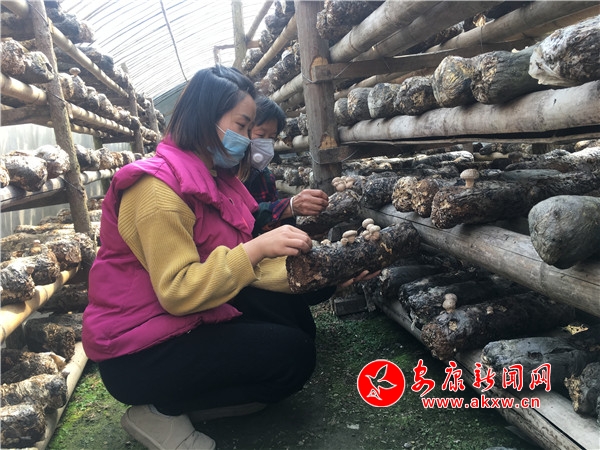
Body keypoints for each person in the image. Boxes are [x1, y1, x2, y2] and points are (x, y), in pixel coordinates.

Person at [82, 65, 376, 450]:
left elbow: (250, 273)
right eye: (241, 125)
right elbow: (179, 291)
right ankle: (161, 409)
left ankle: (195, 394)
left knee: (295, 319)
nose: (247, 138)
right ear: (205, 118)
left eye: (250, 127)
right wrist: (256, 248)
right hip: (139, 352)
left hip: (178, 319)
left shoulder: (215, 178)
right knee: (292, 356)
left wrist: (330, 274)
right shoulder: (155, 190)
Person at [238, 96, 329, 236]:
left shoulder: (265, 175)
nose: (266, 142)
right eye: (260, 134)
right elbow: (242, 215)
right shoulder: (228, 171)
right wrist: (290, 206)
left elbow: (271, 221)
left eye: (271, 138)